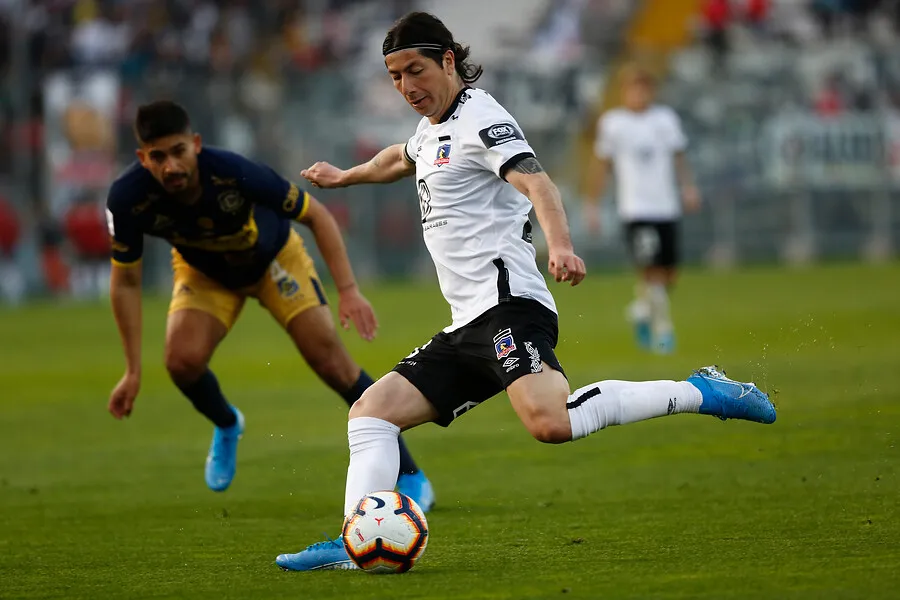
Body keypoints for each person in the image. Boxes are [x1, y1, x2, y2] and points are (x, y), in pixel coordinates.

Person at [275, 12, 775, 572]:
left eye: (415, 70)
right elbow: (400, 156)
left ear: (447, 60)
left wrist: (560, 245)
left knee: (550, 422)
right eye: (394, 76)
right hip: (467, 323)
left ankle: (699, 391)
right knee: (371, 414)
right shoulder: (430, 128)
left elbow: (537, 180)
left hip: (509, 308)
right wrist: (348, 175)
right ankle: (353, 539)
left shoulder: (481, 117)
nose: (406, 87)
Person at [105, 101, 435, 509]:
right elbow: (125, 282)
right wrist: (132, 371)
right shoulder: (127, 198)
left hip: (275, 262)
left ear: (195, 144)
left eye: (178, 152)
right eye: (158, 157)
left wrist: (348, 290)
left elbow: (318, 216)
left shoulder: (233, 171)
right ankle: (227, 424)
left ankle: (410, 474)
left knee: (333, 365)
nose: (171, 166)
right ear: (142, 158)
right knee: (180, 362)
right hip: (205, 274)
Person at [582, 65, 701, 354]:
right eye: (633, 89)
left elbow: (678, 156)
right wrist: (592, 203)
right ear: (624, 93)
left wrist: (689, 187)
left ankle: (640, 311)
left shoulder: (665, 119)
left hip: (666, 207)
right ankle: (663, 330)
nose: (638, 95)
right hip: (635, 210)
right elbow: (601, 164)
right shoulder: (614, 123)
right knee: (650, 272)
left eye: (643, 89)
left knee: (669, 274)